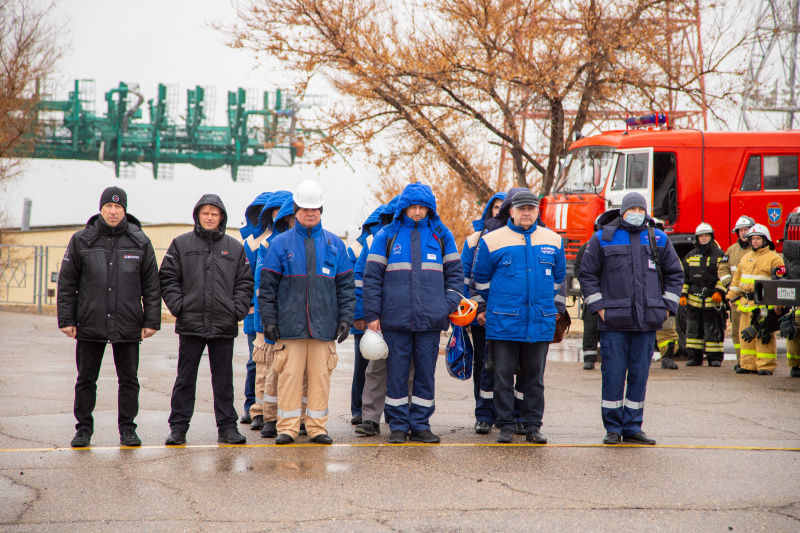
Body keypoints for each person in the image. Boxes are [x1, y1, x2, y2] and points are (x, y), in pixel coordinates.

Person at [57, 187, 161, 448]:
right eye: (108, 207)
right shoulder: (81, 240)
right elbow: (67, 283)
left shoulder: (140, 242)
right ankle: (83, 430)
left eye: (118, 207)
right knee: (86, 379)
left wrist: (151, 321)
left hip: (128, 321)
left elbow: (151, 285)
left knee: (129, 380)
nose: (113, 212)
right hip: (90, 321)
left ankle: (128, 430)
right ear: (101, 209)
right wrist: (66, 319)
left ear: (124, 210)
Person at [578, 192, 683, 445]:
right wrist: (599, 308)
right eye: (631, 208)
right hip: (613, 321)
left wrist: (667, 307)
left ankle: (633, 427)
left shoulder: (658, 237)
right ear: (622, 211)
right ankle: (613, 428)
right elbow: (587, 275)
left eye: (640, 208)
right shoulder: (603, 237)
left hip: (646, 322)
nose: (636, 213)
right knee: (613, 375)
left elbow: (675, 274)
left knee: (639, 376)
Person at [363, 182, 463, 444]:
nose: (417, 212)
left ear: (429, 208)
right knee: (395, 374)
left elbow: (456, 276)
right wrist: (373, 316)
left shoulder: (442, 235)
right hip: (395, 321)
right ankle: (397, 425)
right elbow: (371, 279)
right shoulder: (387, 235)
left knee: (425, 375)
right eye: (412, 207)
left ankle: (420, 424)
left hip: (430, 320)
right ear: (403, 208)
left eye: (422, 207)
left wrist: (447, 305)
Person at [259, 180, 355, 444]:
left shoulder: (335, 244)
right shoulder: (280, 244)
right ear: (296, 210)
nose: (310, 214)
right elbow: (267, 288)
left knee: (320, 378)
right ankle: (287, 428)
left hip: (324, 327)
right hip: (290, 327)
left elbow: (346, 287)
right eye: (304, 209)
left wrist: (346, 319)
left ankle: (316, 428)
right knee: (288, 378)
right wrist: (269, 321)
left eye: (315, 209)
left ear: (321, 210)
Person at [473, 190, 566, 444]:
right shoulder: (492, 240)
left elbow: (558, 280)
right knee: (502, 377)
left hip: (538, 322)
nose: (527, 213)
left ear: (538, 212)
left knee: (534, 379)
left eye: (531, 209)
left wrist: (547, 306)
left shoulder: (553, 240)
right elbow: (480, 280)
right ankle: (504, 425)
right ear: (511, 211)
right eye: (521, 208)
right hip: (504, 321)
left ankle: (532, 425)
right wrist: (494, 306)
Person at [160, 194, 254, 445]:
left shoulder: (234, 248)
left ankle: (227, 428)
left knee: (223, 381)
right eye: (205, 213)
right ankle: (178, 428)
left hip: (224, 323)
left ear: (221, 217)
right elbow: (168, 278)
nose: (210, 217)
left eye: (215, 213)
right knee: (185, 378)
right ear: (197, 216)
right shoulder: (181, 244)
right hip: (190, 322)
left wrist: (237, 310)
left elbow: (245, 282)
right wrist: (179, 306)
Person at [253, 195, 306, 439]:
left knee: (302, 374)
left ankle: (303, 418)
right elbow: (263, 286)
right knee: (274, 371)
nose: (297, 221)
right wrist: (264, 322)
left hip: (304, 321)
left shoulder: (315, 242)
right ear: (286, 219)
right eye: (292, 218)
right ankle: (270, 417)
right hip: (279, 319)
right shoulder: (270, 244)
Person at [244, 190, 292, 432]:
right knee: (263, 368)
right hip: (265, 318)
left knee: (286, 371)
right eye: (276, 209)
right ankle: (260, 413)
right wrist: (260, 318)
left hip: (291, 320)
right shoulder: (264, 243)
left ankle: (285, 415)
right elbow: (259, 284)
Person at [460, 191, 505, 433]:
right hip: (480, 315)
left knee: (507, 365)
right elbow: (466, 278)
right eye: (494, 207)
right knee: (482, 363)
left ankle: (504, 412)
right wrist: (475, 311)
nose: (498, 211)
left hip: (508, 315)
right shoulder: (474, 240)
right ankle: (483, 412)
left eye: (502, 207)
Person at [727, 224, 785, 375]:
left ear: (765, 239)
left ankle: (766, 365)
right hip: (745, 304)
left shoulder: (775, 259)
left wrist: (776, 305)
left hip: (764, 305)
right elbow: (737, 280)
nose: (754, 241)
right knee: (745, 336)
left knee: (763, 335)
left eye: (758, 238)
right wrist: (731, 296)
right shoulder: (746, 258)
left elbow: (780, 284)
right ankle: (748, 364)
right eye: (752, 239)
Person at [347, 204, 385, 426]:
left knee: (380, 366)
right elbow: (356, 284)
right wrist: (359, 316)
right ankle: (358, 409)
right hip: (363, 319)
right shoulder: (356, 248)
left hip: (379, 316)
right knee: (363, 365)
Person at [238, 191, 274, 427]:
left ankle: (269, 407)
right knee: (255, 362)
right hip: (254, 312)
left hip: (272, 313)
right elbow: (245, 277)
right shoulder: (251, 241)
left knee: (272, 363)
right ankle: (251, 406)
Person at [680, 223, 727, 367]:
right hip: (693, 300)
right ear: (697, 238)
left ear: (711, 237)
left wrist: (719, 292)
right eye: (701, 236)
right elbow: (684, 278)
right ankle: (694, 357)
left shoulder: (720, 255)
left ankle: (714, 358)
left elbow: (725, 276)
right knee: (693, 330)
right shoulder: (690, 256)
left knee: (713, 329)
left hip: (712, 300)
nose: (704, 238)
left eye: (706, 235)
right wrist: (683, 294)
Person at [718, 215, 755, 368]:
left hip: (754, 298)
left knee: (754, 329)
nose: (744, 233)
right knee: (736, 332)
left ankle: (754, 362)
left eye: (746, 229)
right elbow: (723, 269)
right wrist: (728, 286)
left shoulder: (757, 249)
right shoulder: (731, 250)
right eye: (741, 230)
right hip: (736, 298)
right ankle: (741, 360)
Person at [575, 216, 602, 370]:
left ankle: (609, 358)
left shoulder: (612, 246)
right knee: (590, 328)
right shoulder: (586, 247)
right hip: (591, 295)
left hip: (609, 295)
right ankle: (589, 359)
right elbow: (578, 269)